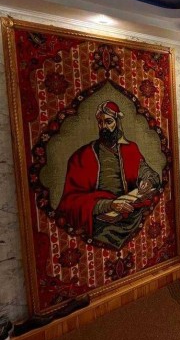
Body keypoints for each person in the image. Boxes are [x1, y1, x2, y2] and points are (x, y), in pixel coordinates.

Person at [57, 101, 162, 249]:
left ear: (117, 122)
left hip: (131, 212)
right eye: (100, 122)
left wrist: (148, 181)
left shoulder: (130, 149)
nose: (104, 127)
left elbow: (148, 172)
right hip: (103, 221)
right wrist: (110, 205)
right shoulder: (82, 156)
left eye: (108, 121)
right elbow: (71, 201)